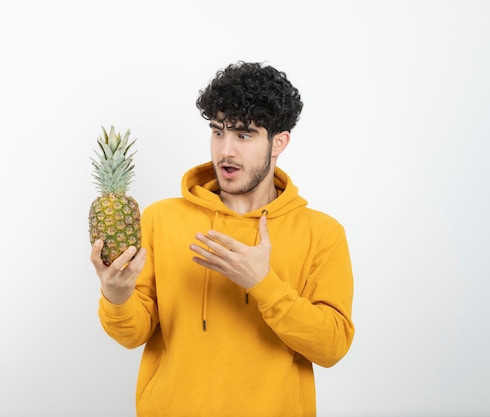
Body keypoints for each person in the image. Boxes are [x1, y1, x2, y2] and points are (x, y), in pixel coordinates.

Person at [90, 61, 354, 417]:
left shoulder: (322, 233)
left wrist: (263, 284)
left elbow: (332, 347)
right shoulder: (161, 218)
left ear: (279, 142)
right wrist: (116, 296)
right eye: (218, 131)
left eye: (243, 135)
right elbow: (132, 334)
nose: (225, 150)